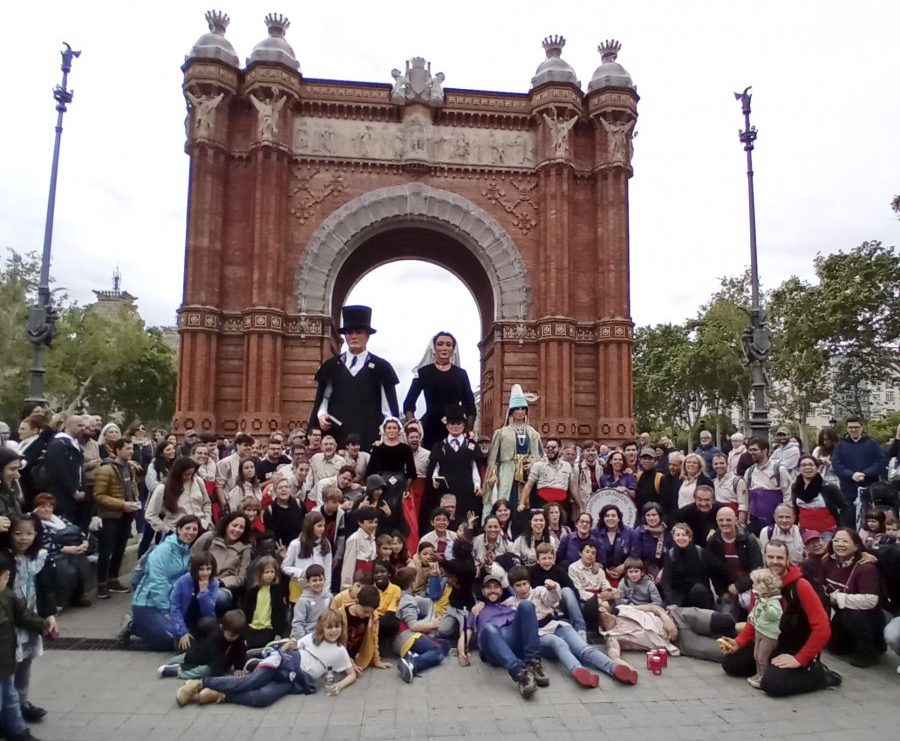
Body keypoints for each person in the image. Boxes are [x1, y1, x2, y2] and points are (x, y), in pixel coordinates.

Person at [720, 540, 836, 697]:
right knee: (730, 663)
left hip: (796, 647)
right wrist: (738, 642)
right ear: (764, 558)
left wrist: (800, 658)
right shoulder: (762, 581)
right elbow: (756, 618)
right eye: (771, 557)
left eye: (780, 558)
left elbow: (823, 629)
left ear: (788, 559)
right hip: (771, 641)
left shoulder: (801, 585)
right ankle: (770, 667)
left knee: (772, 685)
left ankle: (819, 674)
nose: (775, 562)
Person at [505, 566, 638, 688]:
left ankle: (613, 668)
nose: (523, 588)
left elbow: (553, 599)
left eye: (525, 584)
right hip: (540, 634)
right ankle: (578, 670)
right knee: (560, 644)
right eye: (518, 585)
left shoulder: (539, 591)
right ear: (512, 587)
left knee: (583, 648)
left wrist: (553, 587)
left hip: (556, 624)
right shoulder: (511, 604)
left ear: (529, 583)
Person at [310, 305, 400, 450]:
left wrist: (387, 433)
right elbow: (324, 399)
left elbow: (388, 408)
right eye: (349, 332)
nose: (353, 336)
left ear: (367, 335)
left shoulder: (381, 367)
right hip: (337, 435)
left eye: (358, 332)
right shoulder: (332, 366)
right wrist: (321, 415)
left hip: (370, 434)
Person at [806, 528, 886, 667]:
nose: (840, 544)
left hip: (866, 616)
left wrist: (838, 598)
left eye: (845, 541)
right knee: (835, 649)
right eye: (836, 540)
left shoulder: (866, 568)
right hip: (839, 612)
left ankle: (869, 650)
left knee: (851, 613)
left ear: (856, 545)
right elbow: (823, 588)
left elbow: (870, 600)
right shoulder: (827, 562)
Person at [4, 515, 56, 724]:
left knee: (26, 662)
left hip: (31, 615)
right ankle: (10, 710)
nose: (23, 539)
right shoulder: (5, 559)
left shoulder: (39, 558)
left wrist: (49, 614)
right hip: (10, 619)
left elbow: (46, 589)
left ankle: (22, 702)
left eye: (29, 533)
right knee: (10, 664)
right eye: (18, 533)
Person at [128, 516, 202, 651]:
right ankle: (132, 625)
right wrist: (166, 611)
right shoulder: (163, 550)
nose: (191, 532)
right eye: (187, 528)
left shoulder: (186, 551)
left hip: (169, 603)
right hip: (148, 604)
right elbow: (157, 582)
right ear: (178, 529)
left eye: (194, 529)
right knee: (168, 639)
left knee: (184, 637)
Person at [0, 551, 53, 741]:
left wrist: (42, 625)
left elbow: (23, 615)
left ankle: (17, 731)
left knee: (10, 699)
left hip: (5, 663)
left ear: (6, 577)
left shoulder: (8, 596)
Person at [473, 573, 544, 698]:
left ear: (501, 590)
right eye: (488, 587)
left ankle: (533, 664)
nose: (492, 590)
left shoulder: (509, 605)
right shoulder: (477, 610)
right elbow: (466, 632)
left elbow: (515, 591)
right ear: (483, 591)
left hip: (514, 642)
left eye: (496, 587)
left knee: (526, 605)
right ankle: (519, 673)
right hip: (493, 648)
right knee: (489, 628)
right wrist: (462, 650)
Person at [403, 331, 477, 450]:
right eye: (440, 344)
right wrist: (413, 426)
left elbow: (470, 407)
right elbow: (408, 404)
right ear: (434, 347)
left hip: (455, 428)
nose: (444, 348)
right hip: (430, 427)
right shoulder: (423, 372)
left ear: (453, 349)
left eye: (448, 345)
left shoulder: (461, 374)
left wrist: (467, 429)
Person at [484, 385, 542, 518]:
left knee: (526, 505)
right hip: (507, 472)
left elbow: (538, 455)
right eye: (517, 409)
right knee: (506, 501)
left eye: (523, 408)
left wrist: (532, 463)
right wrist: (493, 474)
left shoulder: (533, 433)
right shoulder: (502, 433)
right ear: (511, 411)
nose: (520, 411)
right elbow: (494, 458)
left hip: (527, 474)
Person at [424, 405, 481, 533]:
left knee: (465, 521)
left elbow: (474, 467)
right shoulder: (439, 446)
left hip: (466, 490)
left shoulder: (471, 445)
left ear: (463, 425)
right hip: (446, 490)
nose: (455, 426)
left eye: (459, 423)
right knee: (445, 518)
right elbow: (435, 467)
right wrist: (433, 479)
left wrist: (477, 484)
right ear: (447, 426)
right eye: (452, 423)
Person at [31, 493, 91, 609]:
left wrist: (84, 542)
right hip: (51, 553)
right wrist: (66, 549)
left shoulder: (60, 518)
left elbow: (78, 530)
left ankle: (78, 596)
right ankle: (59, 601)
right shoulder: (34, 522)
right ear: (36, 508)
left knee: (82, 564)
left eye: (50, 507)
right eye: (43, 507)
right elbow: (42, 543)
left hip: (73, 549)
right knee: (66, 570)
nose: (47, 510)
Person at [158, 608, 248, 680]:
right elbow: (209, 652)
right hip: (202, 655)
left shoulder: (239, 640)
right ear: (222, 627)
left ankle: (178, 672)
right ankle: (174, 666)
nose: (233, 638)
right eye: (230, 634)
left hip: (215, 665)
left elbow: (241, 654)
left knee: (203, 671)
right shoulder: (216, 637)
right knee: (180, 660)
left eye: (236, 635)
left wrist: (238, 667)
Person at [704, 507, 762, 617]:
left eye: (728, 520)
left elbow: (757, 569)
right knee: (726, 622)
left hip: (749, 587)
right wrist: (722, 593)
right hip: (727, 590)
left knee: (755, 617)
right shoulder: (713, 542)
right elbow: (713, 572)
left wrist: (739, 586)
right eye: (721, 520)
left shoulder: (748, 539)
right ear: (717, 521)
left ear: (735, 520)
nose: (725, 523)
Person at [831, 416, 886, 526]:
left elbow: (880, 462)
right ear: (847, 428)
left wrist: (865, 473)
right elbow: (836, 464)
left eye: (856, 427)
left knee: (869, 520)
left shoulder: (872, 444)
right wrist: (851, 475)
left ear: (862, 427)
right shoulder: (841, 445)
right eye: (850, 427)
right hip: (848, 489)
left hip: (869, 488)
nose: (853, 430)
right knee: (848, 521)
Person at [191, 513, 252, 610]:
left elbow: (241, 577)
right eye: (234, 525)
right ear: (227, 524)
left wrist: (220, 583)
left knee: (220, 598)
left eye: (241, 527)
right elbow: (192, 557)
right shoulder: (209, 538)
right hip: (200, 579)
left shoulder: (245, 549)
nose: (237, 530)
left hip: (222, 587)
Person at [367, 418, 416, 535]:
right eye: (389, 428)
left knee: (398, 511)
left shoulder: (405, 448)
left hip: (400, 484)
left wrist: (407, 488)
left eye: (394, 428)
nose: (391, 430)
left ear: (399, 430)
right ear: (384, 430)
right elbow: (370, 470)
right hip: (381, 484)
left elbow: (411, 471)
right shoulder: (377, 448)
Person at [146, 457, 213, 537]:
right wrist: (167, 530)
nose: (189, 477)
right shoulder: (163, 488)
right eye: (186, 475)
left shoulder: (198, 481)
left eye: (191, 474)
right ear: (178, 473)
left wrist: (207, 520)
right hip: (177, 531)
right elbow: (150, 514)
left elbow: (206, 503)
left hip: (201, 528)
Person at [167, 553, 220, 653]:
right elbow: (175, 607)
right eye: (201, 569)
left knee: (209, 622)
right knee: (188, 650)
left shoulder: (214, 583)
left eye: (208, 569)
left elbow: (209, 612)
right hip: (184, 623)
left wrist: (204, 592)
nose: (205, 573)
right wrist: (182, 632)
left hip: (201, 622)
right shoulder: (183, 581)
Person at [41, 414, 87, 526]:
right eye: (79, 425)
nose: (83, 429)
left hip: (76, 499)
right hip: (62, 498)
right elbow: (60, 470)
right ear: (69, 425)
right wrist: (73, 491)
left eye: (84, 426)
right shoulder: (58, 444)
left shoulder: (75, 444)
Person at [660, 523, 714, 609]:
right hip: (678, 593)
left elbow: (715, 571)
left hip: (699, 593)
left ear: (690, 537)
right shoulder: (670, 555)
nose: (681, 538)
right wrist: (672, 601)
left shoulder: (700, 552)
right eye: (677, 535)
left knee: (699, 590)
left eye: (684, 535)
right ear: (673, 538)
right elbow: (666, 581)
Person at [745, 567, 783, 688]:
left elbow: (775, 615)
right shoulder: (760, 600)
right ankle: (758, 673)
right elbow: (755, 610)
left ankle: (764, 677)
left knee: (762, 657)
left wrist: (765, 605)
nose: (753, 587)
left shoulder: (773, 602)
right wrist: (752, 616)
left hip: (769, 635)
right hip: (759, 630)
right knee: (756, 655)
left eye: (755, 584)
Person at [567, 541, 617, 630]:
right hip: (584, 601)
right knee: (604, 606)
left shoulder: (599, 570)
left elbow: (605, 584)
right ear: (580, 553)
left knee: (611, 602)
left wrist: (610, 591)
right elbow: (579, 591)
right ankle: (610, 628)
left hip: (601, 599)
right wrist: (599, 598)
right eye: (587, 552)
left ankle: (608, 628)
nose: (590, 555)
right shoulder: (573, 568)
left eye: (593, 553)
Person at [792, 455, 844, 539]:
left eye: (811, 465)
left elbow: (845, 507)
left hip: (827, 533)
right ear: (799, 469)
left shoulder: (829, 487)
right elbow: (796, 510)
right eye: (804, 465)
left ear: (817, 467)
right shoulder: (795, 487)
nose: (807, 467)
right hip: (804, 533)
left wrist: (841, 529)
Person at [283, 512, 333, 598]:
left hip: (319, 591)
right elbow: (285, 566)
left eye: (323, 526)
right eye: (319, 526)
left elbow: (327, 569)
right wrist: (301, 573)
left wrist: (325, 590)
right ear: (310, 526)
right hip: (299, 590)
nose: (323, 529)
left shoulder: (325, 543)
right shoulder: (296, 544)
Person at [243, 555, 288, 649]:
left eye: (272, 572)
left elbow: (281, 612)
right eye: (266, 572)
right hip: (252, 627)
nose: (270, 575)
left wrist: (278, 632)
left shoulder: (277, 590)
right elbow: (246, 610)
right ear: (260, 573)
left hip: (269, 628)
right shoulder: (253, 591)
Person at [214, 433, 255, 515]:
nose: (248, 448)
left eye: (250, 445)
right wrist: (225, 507)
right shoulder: (226, 462)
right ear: (237, 446)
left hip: (248, 508)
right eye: (245, 445)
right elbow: (219, 486)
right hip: (231, 507)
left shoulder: (251, 462)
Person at [263, 473, 304, 553]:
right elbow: (270, 535)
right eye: (280, 488)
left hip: (300, 547)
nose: (284, 490)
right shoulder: (269, 511)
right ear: (275, 491)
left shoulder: (299, 504)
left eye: (286, 487)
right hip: (281, 550)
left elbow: (306, 525)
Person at [593, 504, 635, 583]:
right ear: (603, 518)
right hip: (600, 573)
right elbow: (590, 552)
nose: (610, 518)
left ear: (619, 518)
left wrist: (625, 565)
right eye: (607, 516)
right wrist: (603, 568)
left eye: (613, 516)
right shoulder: (594, 533)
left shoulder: (630, 533)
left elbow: (636, 553)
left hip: (626, 572)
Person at [290, 564, 333, 639]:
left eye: (320, 579)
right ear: (308, 582)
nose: (318, 583)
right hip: (307, 636)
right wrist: (303, 640)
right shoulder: (303, 601)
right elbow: (298, 623)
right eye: (314, 580)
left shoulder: (329, 597)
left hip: (324, 635)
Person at [340, 507, 378, 588]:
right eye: (370, 522)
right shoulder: (354, 539)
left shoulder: (373, 539)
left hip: (369, 583)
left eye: (375, 522)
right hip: (357, 583)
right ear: (360, 523)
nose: (373, 525)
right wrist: (347, 587)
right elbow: (348, 565)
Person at [632, 503, 670, 578]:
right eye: (648, 515)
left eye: (654, 515)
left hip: (665, 571)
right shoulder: (638, 533)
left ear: (660, 516)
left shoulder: (667, 532)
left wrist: (664, 571)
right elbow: (635, 557)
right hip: (644, 572)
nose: (651, 518)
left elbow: (671, 555)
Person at [712, 452, 749, 524]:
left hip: (733, 518)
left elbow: (743, 505)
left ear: (727, 464)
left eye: (722, 463)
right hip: (718, 519)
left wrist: (740, 524)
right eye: (716, 464)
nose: (719, 466)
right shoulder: (713, 482)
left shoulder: (737, 481)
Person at [634, 447, 665, 515]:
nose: (646, 461)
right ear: (640, 460)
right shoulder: (639, 476)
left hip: (654, 517)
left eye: (650, 459)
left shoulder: (660, 478)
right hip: (640, 516)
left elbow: (664, 502)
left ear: (655, 460)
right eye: (644, 459)